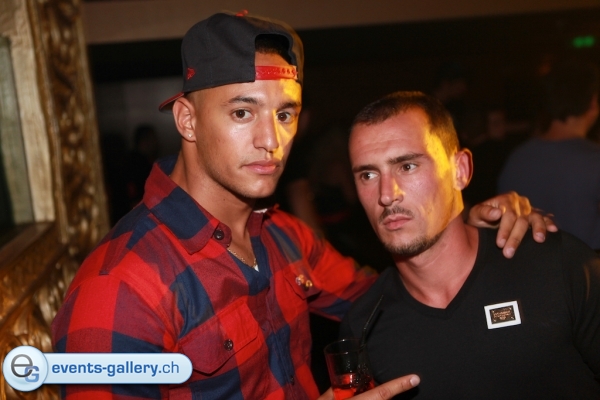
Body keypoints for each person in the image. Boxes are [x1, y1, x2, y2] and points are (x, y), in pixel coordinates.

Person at [52, 12, 554, 400]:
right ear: (187, 120)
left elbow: (386, 298)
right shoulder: (118, 285)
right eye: (243, 112)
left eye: (285, 114)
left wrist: (455, 225)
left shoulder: (281, 235)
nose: (271, 140)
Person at [340, 91, 600, 399]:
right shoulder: (364, 328)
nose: (386, 194)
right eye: (368, 174)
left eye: (407, 166)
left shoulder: (556, 265)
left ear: (460, 171)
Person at [498, 60, 600, 250]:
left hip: (526, 267)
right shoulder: (595, 161)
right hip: (586, 267)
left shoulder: (517, 159)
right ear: (593, 103)